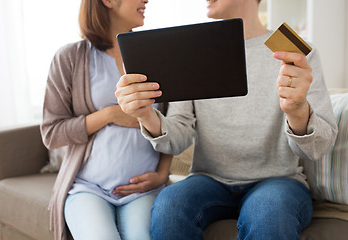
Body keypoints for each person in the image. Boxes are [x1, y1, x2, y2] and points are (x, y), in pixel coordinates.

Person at [114, 0, 338, 239]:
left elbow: (319, 148)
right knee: (170, 206)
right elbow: (177, 140)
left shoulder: (297, 54)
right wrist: (145, 115)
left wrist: (297, 111)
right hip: (209, 180)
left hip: (278, 180)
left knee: (268, 213)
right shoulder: (192, 54)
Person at [40, 0, 172, 240]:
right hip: (88, 188)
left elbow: (172, 124)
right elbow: (52, 133)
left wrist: (163, 174)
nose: (147, 0)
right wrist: (109, 115)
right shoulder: (70, 57)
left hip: (142, 190)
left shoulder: (155, 55)